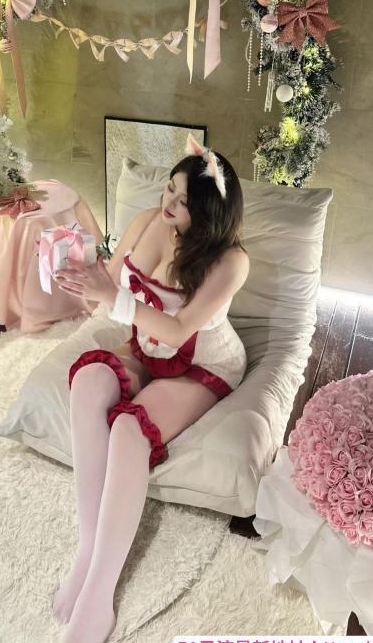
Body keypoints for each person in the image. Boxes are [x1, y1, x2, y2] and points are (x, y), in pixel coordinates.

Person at [51, 134, 250, 643]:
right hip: (145, 349)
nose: (170, 203)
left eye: (184, 201)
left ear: (210, 214)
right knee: (89, 381)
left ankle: (100, 593)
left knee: (128, 430)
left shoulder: (230, 262)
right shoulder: (144, 222)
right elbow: (107, 288)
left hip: (201, 362)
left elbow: (180, 330)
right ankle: (87, 550)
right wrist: (76, 272)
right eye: (169, 189)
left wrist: (111, 295)